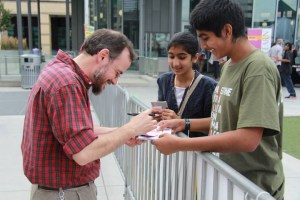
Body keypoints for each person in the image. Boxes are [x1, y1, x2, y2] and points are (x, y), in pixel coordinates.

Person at [152, 0, 285, 199]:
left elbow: (248, 139)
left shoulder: (258, 68)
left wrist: (179, 144)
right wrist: (184, 123)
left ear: (227, 30)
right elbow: (223, 120)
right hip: (226, 180)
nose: (203, 46)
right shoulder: (229, 65)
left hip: (252, 186)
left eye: (205, 38)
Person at [21, 28, 158, 200]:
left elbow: (76, 132)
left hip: (59, 191)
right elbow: (83, 152)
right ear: (103, 56)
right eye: (117, 73)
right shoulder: (67, 83)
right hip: (64, 193)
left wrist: (122, 133)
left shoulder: (62, 73)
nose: (115, 82)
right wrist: (130, 129)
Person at [156, 31, 217, 137]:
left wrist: (183, 123)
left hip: (197, 149)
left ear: (195, 58)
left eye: (182, 57)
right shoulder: (163, 80)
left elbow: (215, 123)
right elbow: (160, 112)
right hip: (170, 147)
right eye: (171, 56)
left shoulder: (209, 86)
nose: (175, 63)